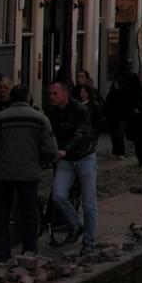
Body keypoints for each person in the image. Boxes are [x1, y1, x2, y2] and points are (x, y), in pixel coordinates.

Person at [0, 85, 57, 262]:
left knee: (1, 216)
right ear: (28, 98)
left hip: (3, 174)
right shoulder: (40, 119)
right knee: (30, 213)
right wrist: (43, 160)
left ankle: (2, 256)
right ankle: (29, 253)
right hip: (29, 174)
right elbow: (51, 149)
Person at [46, 80, 97, 251]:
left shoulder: (80, 110)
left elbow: (83, 132)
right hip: (66, 161)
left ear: (65, 94)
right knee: (58, 195)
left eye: (55, 93)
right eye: (50, 93)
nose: (51, 97)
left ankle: (89, 242)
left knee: (89, 204)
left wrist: (65, 150)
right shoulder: (53, 113)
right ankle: (76, 224)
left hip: (84, 157)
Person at [104, 75, 133, 159]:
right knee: (115, 134)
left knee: (118, 134)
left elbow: (127, 105)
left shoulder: (123, 92)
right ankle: (116, 151)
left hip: (121, 117)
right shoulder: (113, 93)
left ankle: (120, 152)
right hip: (114, 117)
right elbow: (108, 104)